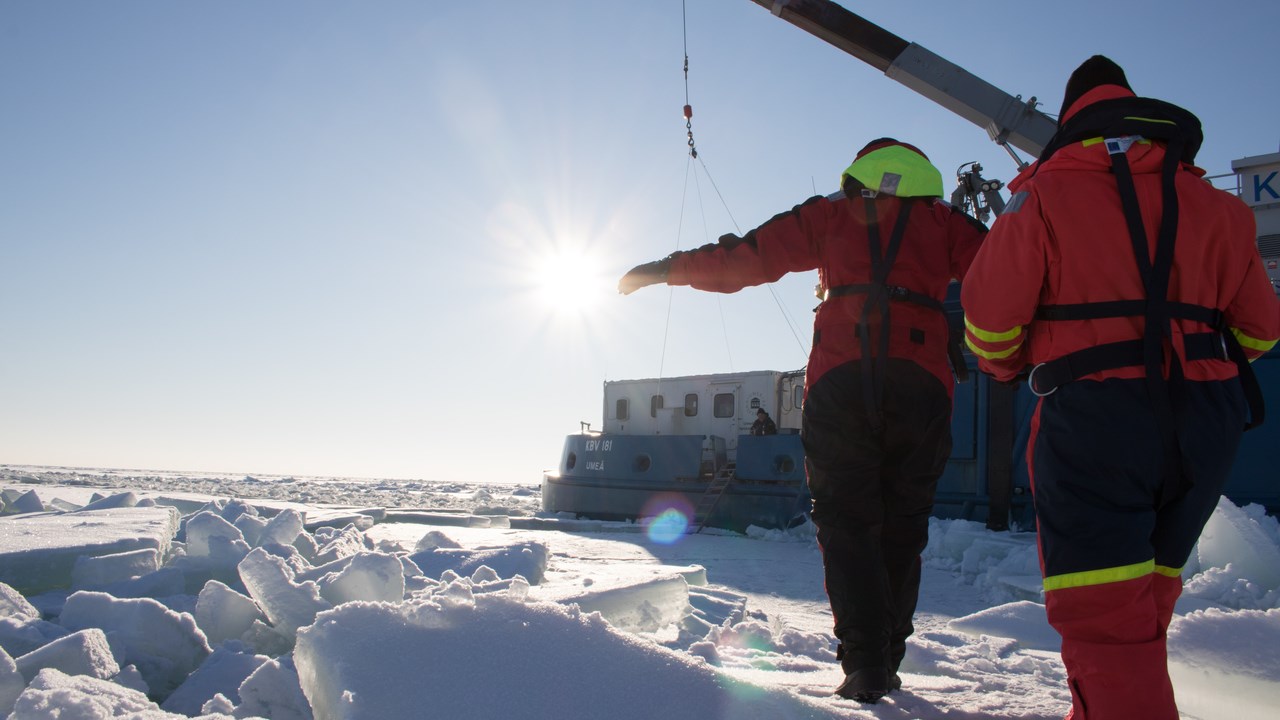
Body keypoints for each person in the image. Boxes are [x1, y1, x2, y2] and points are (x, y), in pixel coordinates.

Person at [960, 56, 1280, 719]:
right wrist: (1192, 361)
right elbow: (1261, 330)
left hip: (1095, 418)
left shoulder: (1042, 192)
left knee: (1104, 616)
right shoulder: (1218, 206)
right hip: (1207, 421)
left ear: (1072, 114)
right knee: (1143, 605)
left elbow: (989, 326)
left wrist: (1010, 365)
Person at [619, 138, 987, 702]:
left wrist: (666, 270)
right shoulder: (947, 223)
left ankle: (864, 663)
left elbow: (746, 258)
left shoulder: (831, 213)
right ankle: (888, 655)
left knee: (846, 521)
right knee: (904, 522)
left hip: (842, 380)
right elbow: (1013, 271)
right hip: (922, 384)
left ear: (860, 170)